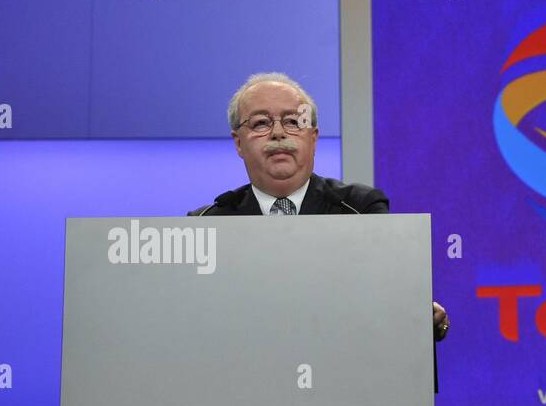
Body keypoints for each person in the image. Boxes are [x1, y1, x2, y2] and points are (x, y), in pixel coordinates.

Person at [189, 71, 449, 342]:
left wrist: (427, 319)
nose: (278, 133)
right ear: (239, 143)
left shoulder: (360, 209)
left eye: (292, 121)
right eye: (260, 123)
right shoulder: (208, 224)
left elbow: (393, 303)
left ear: (313, 139)